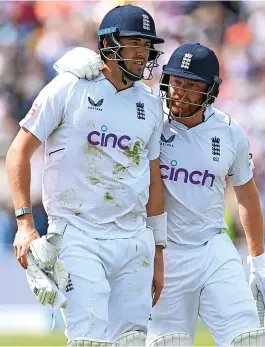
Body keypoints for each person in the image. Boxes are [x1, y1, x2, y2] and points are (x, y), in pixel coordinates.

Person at [54, 43, 265, 347]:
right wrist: (83, 68)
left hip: (213, 247)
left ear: (211, 90)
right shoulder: (147, 117)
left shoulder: (229, 133)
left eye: (191, 86)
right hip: (162, 253)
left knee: (249, 341)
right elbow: (112, 94)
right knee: (168, 343)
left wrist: (258, 264)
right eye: (176, 82)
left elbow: (248, 196)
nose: (179, 92)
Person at [6, 5, 167, 346]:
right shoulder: (68, 87)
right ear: (109, 43)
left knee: (132, 340)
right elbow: (18, 151)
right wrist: (25, 223)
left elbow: (154, 180)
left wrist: (158, 252)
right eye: (134, 42)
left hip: (134, 239)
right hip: (77, 233)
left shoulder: (151, 104)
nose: (143, 52)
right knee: (88, 340)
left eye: (147, 44)